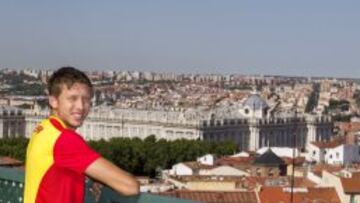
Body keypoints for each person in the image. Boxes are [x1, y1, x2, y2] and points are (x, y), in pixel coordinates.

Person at [24, 67, 139, 203]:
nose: (80, 106)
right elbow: (131, 186)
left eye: (86, 100)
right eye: (72, 99)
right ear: (53, 101)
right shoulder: (65, 140)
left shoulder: (43, 128)